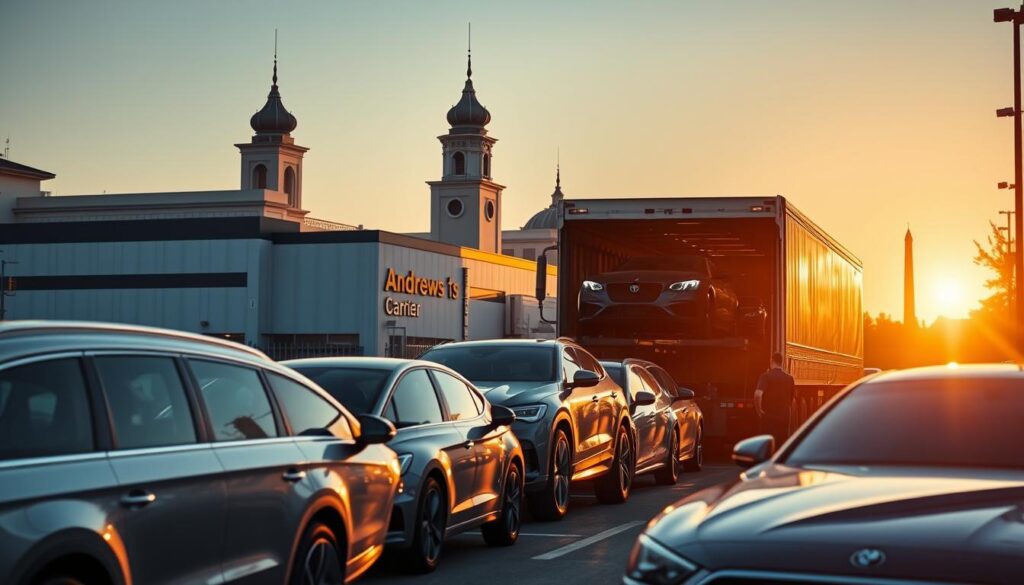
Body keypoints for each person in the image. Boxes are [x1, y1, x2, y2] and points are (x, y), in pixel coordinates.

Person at [754, 352, 795, 445]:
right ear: (782, 362)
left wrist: (759, 410)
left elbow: (758, 395)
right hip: (784, 416)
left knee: (767, 443)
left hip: (769, 416)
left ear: (771, 361)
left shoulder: (765, 376)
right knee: (782, 443)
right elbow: (791, 398)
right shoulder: (790, 379)